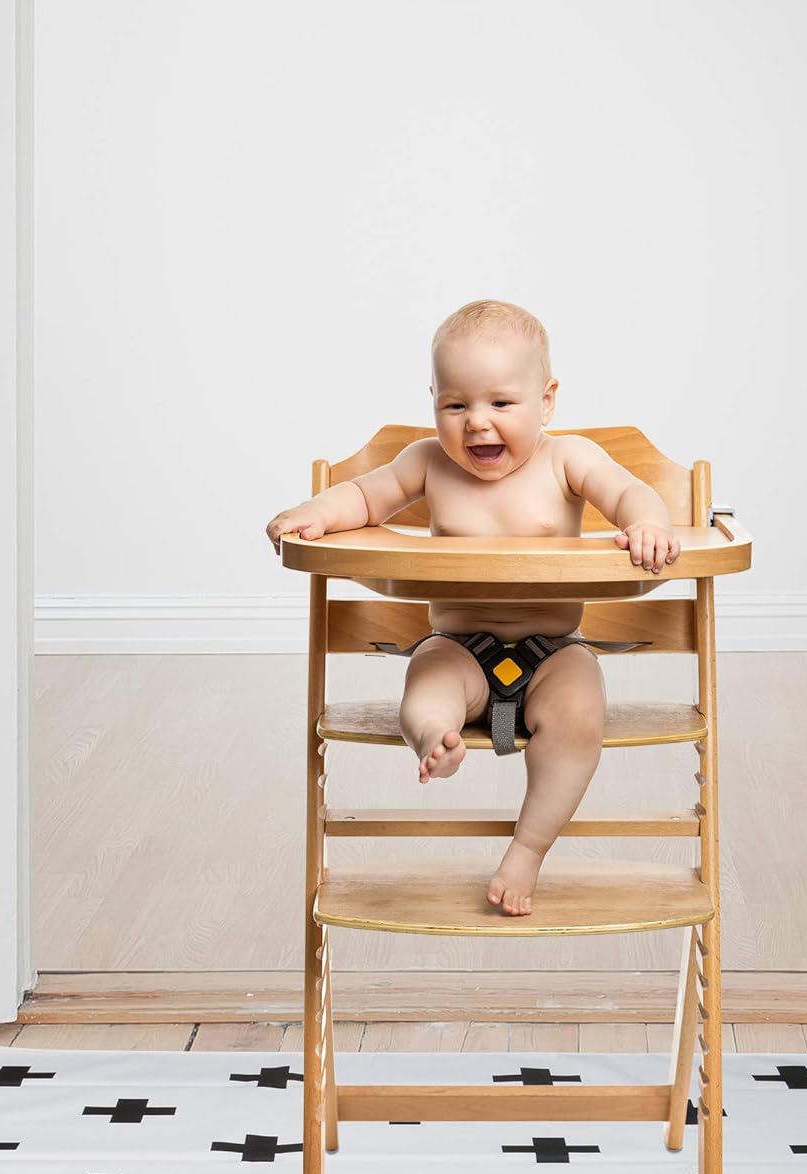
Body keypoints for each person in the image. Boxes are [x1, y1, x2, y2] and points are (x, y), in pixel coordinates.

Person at [265, 299, 679, 916]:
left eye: (501, 404)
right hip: (457, 648)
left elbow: (628, 492)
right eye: (455, 405)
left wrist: (646, 522)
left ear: (547, 400)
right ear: (433, 400)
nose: (476, 423)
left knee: (580, 713)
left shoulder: (569, 459)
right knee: (424, 689)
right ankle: (437, 737)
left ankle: (528, 849)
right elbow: (365, 497)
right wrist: (315, 514)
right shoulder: (427, 463)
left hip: (552, 653)